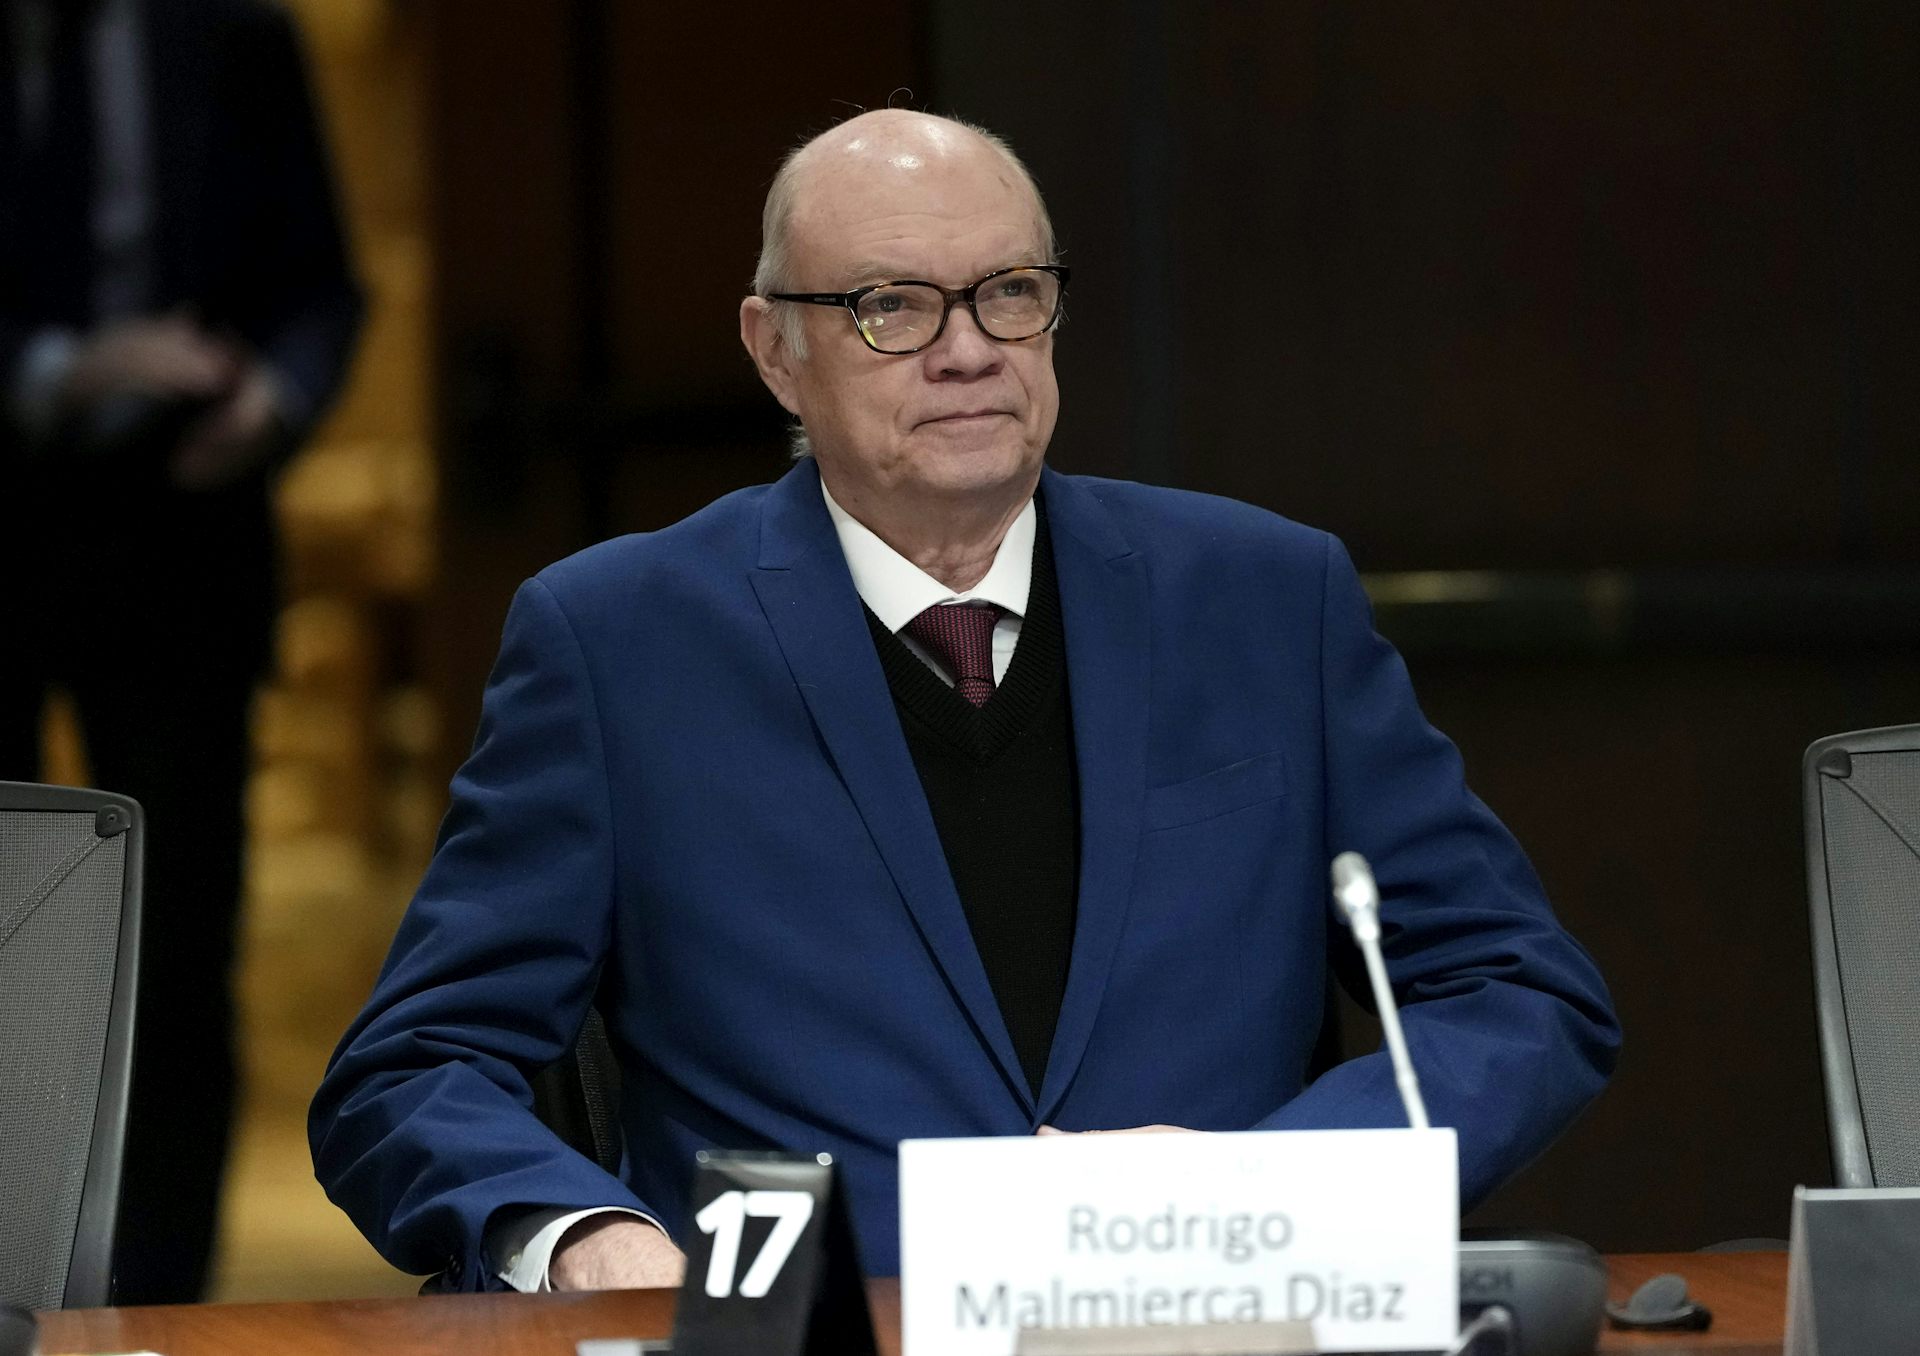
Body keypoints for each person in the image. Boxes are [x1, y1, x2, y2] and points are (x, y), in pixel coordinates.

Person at [310, 110, 1617, 1291]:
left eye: (1009, 294)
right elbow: (411, 1070)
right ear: (777, 352)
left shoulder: (1267, 599)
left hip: (1209, 1316)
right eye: (892, 306)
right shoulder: (616, 643)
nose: (969, 352)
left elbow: (1516, 991)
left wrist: (1276, 1181)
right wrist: (584, 1239)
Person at [1, 0, 363, 1303]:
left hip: (183, 528)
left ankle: (152, 1309)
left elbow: (326, 286)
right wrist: (61, 372)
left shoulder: (234, 36)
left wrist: (273, 399)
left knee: (174, 945)